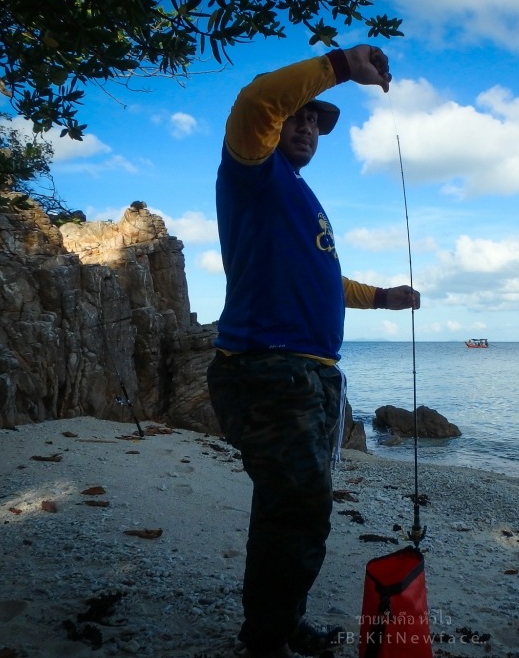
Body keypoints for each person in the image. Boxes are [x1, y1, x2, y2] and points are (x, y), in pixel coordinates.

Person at [207, 44, 421, 658]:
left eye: (316, 122)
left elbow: (326, 279)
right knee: (299, 508)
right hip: (271, 369)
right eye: (299, 116)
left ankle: (276, 623)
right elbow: (255, 100)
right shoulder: (252, 171)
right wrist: (342, 65)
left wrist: (382, 298)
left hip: (311, 375)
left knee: (291, 507)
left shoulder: (297, 194)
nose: (307, 127)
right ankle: (268, 638)